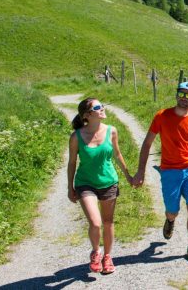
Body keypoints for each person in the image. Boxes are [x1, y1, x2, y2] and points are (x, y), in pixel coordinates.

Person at [132, 81, 188, 264]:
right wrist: (140, 171)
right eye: (181, 94)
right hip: (169, 171)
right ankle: (170, 220)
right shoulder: (162, 116)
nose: (184, 98)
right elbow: (147, 143)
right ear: (176, 95)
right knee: (172, 211)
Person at [67, 98, 132, 274]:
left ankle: (108, 256)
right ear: (87, 115)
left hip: (108, 182)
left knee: (108, 222)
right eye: (97, 107)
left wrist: (128, 176)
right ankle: (96, 252)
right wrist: (70, 187)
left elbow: (117, 155)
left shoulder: (112, 131)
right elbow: (72, 163)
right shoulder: (76, 137)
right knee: (95, 223)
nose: (102, 108)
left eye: (102, 105)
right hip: (85, 183)